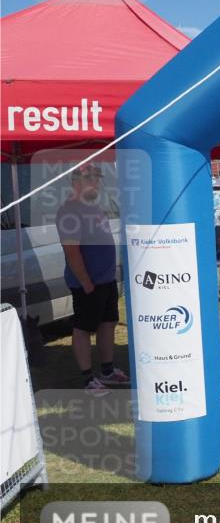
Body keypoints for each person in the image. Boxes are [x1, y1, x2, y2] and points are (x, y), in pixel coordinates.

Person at [57, 165, 130, 397]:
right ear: (75, 181)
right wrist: (86, 282)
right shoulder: (69, 212)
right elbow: (72, 252)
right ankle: (88, 378)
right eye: (90, 179)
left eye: (97, 179)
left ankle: (107, 371)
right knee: (83, 328)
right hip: (88, 283)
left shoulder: (95, 207)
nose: (95, 184)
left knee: (108, 324)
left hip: (106, 280)